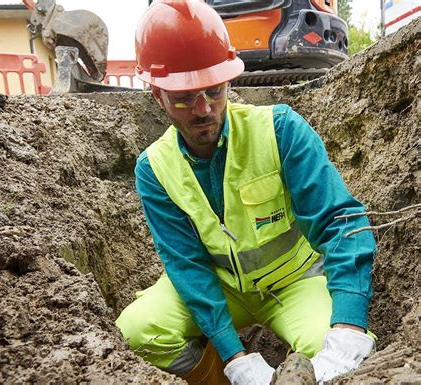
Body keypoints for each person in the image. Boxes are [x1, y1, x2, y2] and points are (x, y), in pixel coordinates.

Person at [116, 1, 377, 384]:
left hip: (294, 282)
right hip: (222, 289)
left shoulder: (281, 130)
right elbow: (187, 265)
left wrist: (350, 326)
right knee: (138, 331)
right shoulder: (153, 168)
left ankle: (294, 371)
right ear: (158, 95)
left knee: (331, 352)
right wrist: (233, 357)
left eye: (214, 90)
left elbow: (340, 222)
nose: (204, 109)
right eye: (185, 98)